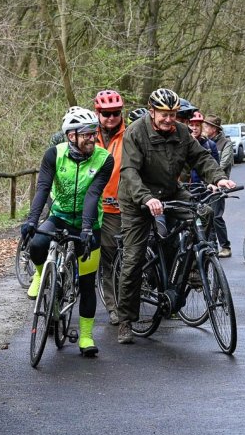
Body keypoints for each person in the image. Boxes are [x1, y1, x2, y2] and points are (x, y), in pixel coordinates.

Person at [116, 89, 233, 344]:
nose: (169, 119)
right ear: (152, 112)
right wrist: (146, 198)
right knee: (134, 258)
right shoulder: (136, 132)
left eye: (173, 114)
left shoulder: (181, 133)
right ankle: (125, 319)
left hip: (169, 191)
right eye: (164, 114)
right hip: (138, 198)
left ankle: (192, 268)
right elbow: (129, 172)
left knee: (203, 212)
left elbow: (201, 157)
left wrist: (219, 178)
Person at [22, 107, 113, 357]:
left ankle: (85, 336)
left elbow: (93, 195)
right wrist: (32, 220)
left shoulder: (104, 159)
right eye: (86, 135)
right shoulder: (54, 154)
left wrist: (86, 228)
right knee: (38, 244)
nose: (92, 139)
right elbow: (42, 188)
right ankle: (41, 275)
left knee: (86, 284)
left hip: (89, 222)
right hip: (59, 216)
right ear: (70, 136)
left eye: (94, 134)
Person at [93, 89, 127, 325]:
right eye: (106, 113)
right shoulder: (85, 133)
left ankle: (122, 305)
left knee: (118, 258)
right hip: (92, 204)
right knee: (106, 258)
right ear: (98, 113)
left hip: (120, 206)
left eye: (115, 113)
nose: (111, 118)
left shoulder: (131, 134)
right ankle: (113, 306)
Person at [203, 115, 235, 257]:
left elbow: (223, 164)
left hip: (219, 185)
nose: (204, 128)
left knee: (216, 216)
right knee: (205, 215)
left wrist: (215, 179)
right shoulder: (203, 142)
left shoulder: (225, 143)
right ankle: (211, 245)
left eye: (207, 126)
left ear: (214, 129)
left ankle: (225, 247)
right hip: (204, 185)